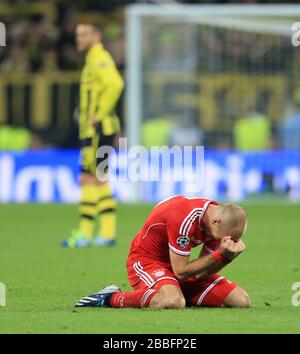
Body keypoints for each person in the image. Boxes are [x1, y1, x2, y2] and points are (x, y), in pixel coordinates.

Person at [75, 196, 251, 309]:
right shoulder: (184, 216)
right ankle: (109, 298)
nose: (224, 242)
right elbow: (181, 272)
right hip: (146, 262)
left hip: (176, 267)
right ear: (215, 221)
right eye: (223, 238)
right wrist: (220, 255)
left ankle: (171, 291)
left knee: (241, 301)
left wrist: (225, 258)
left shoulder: (218, 224)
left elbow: (200, 273)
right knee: (172, 301)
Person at [62, 23, 124, 248]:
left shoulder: (99, 58)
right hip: (93, 130)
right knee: (90, 177)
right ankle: (92, 233)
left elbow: (116, 84)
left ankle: (96, 232)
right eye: (77, 34)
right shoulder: (91, 58)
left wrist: (100, 114)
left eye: (84, 34)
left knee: (95, 178)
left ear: (96, 36)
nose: (79, 39)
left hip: (99, 129)